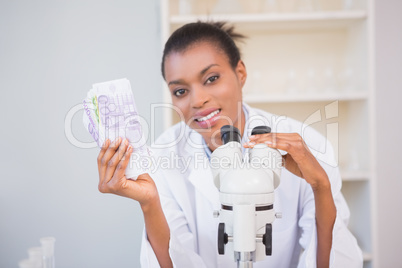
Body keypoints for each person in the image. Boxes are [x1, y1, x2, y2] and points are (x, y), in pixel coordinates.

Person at [96, 21, 363, 267]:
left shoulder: (306, 143)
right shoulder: (164, 155)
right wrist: (149, 204)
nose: (197, 100)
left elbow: (330, 261)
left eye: (211, 78)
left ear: (240, 73)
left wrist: (321, 186)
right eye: (181, 91)